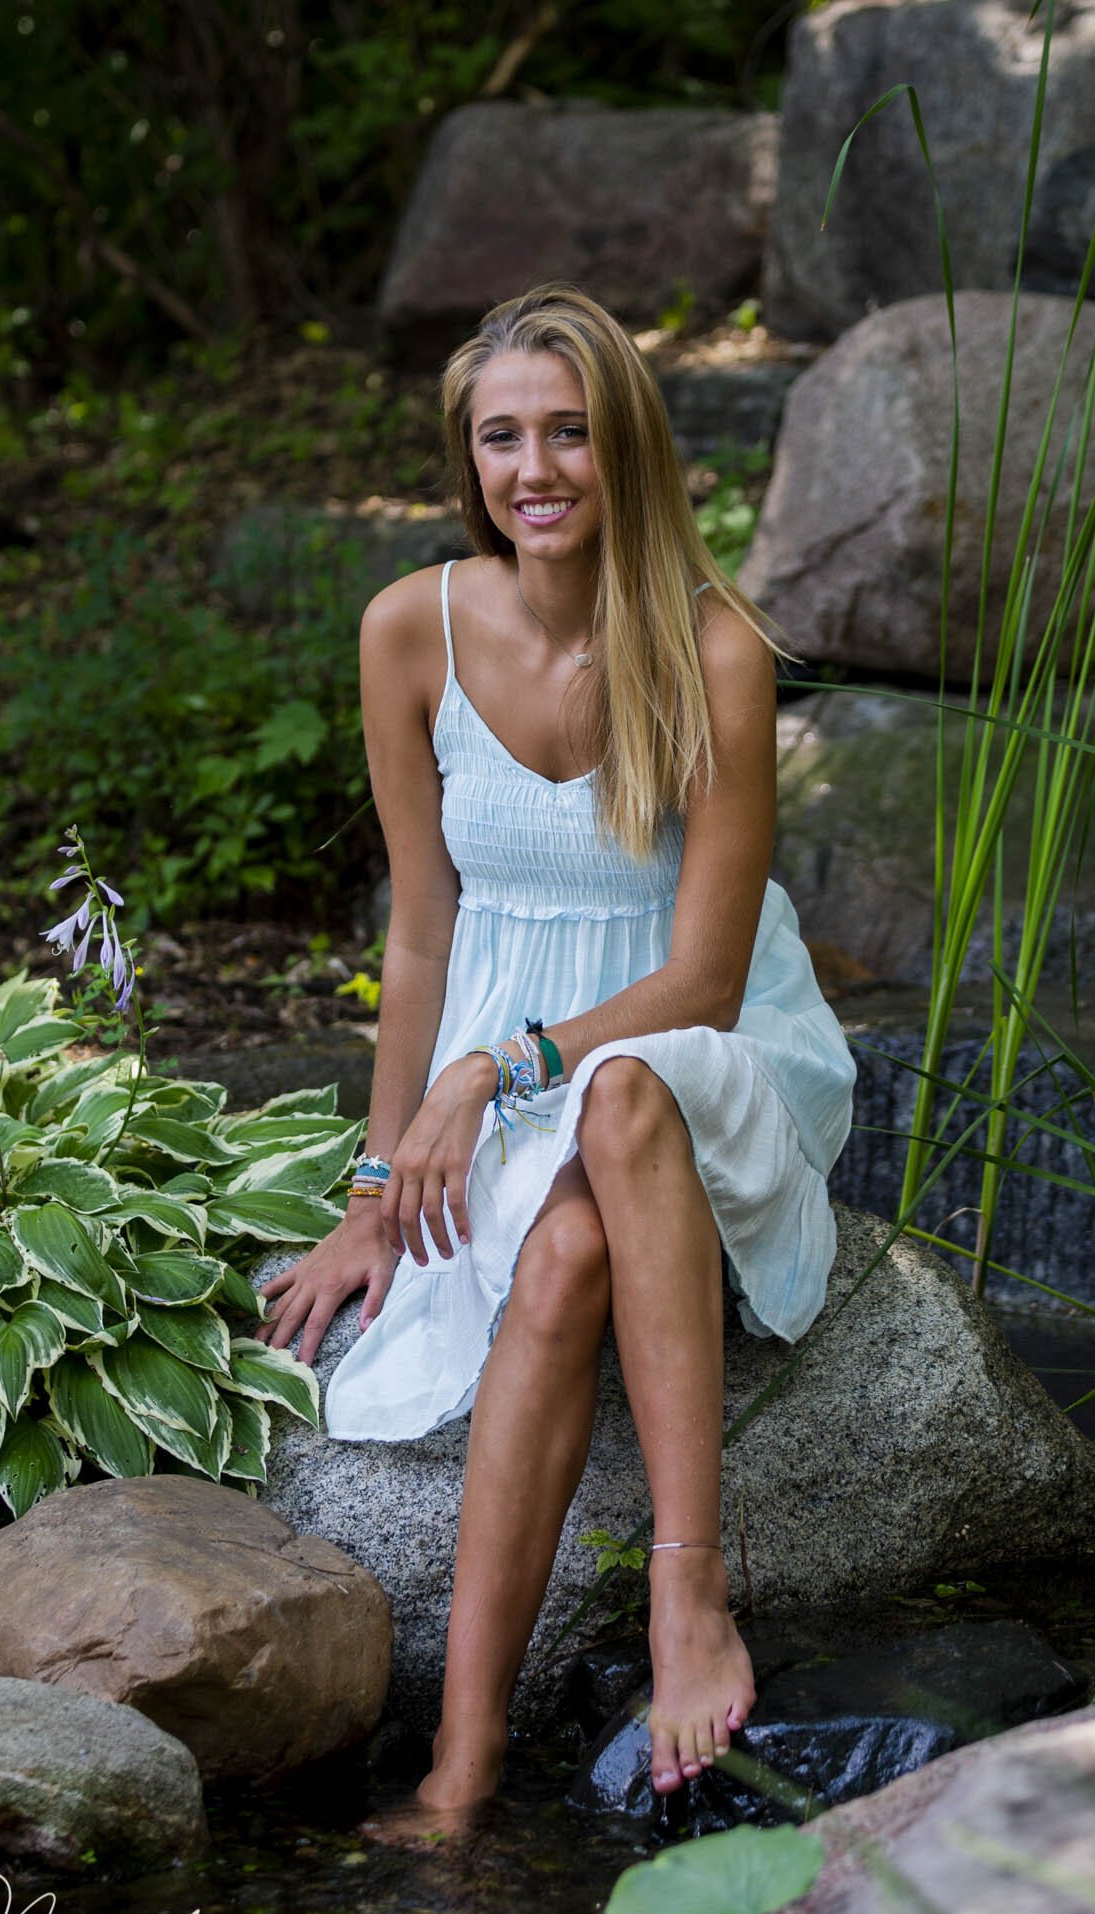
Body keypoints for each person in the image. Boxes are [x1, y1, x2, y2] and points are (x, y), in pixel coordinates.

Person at [255, 281, 856, 1820]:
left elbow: (706, 971)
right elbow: (419, 938)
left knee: (628, 1097)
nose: (537, 469)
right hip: (516, 1068)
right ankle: (463, 1764)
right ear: (469, 458)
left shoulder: (712, 648)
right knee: (563, 1261)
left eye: (572, 433)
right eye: (504, 435)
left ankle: (685, 1589)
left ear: (626, 447)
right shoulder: (411, 629)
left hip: (692, 1046)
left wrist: (493, 1071)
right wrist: (375, 1186)